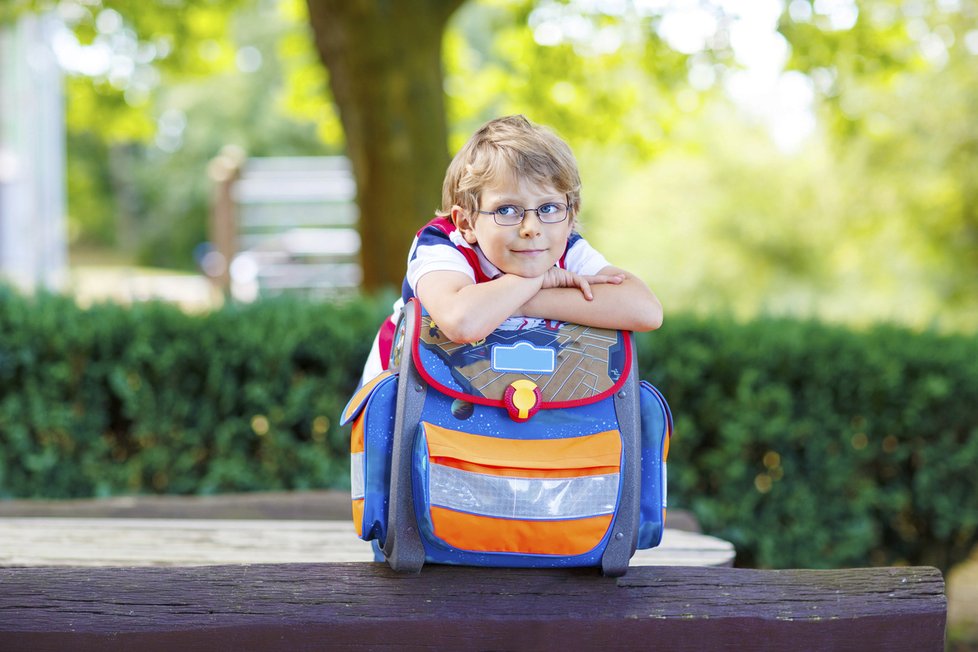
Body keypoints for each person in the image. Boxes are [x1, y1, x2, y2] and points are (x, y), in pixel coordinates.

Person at [360, 114, 662, 384]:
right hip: (412, 405)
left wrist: (523, 301)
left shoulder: (562, 244)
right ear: (466, 222)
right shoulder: (443, 244)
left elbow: (645, 310)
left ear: (570, 218)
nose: (532, 227)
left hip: (515, 408)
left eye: (549, 207)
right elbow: (463, 321)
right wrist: (536, 279)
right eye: (506, 210)